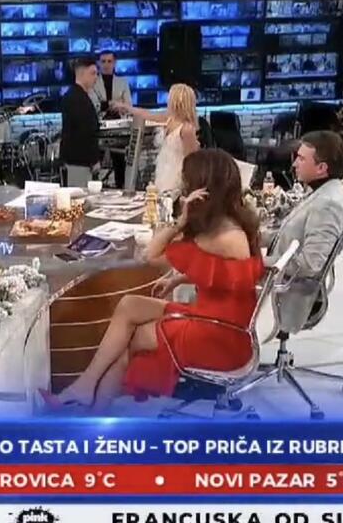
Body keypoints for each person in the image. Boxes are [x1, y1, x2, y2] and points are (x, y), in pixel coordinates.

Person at [40, 149, 264, 412]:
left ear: (204, 189)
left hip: (222, 335)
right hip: (217, 317)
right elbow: (225, 276)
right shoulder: (227, 225)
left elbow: (151, 255)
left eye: (187, 183)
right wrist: (178, 280)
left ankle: (90, 408)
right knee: (130, 305)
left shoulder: (223, 236)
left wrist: (180, 221)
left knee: (132, 341)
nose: (183, 189)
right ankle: (86, 388)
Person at [265, 131, 343, 333]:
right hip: (280, 281)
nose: (294, 164)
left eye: (301, 159)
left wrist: (261, 263)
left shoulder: (328, 205)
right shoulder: (319, 191)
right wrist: (250, 235)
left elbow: (310, 264)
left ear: (321, 168)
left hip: (289, 293)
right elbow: (290, 234)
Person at [113, 83, 200, 195]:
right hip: (163, 175)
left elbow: (193, 162)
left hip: (177, 180)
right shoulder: (168, 119)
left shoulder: (187, 129)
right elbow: (146, 114)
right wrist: (127, 108)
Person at [89, 51, 132, 188]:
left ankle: (121, 187)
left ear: (114, 63)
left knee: (120, 161)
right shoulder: (93, 82)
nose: (106, 65)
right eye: (103, 61)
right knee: (95, 162)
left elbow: (128, 106)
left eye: (109, 61)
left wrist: (118, 106)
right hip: (98, 128)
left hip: (119, 128)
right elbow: (93, 105)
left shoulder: (122, 82)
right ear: (99, 63)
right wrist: (111, 104)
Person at [60, 57, 100, 187]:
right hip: (79, 163)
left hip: (79, 162)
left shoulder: (78, 95)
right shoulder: (76, 99)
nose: (96, 78)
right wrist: (94, 159)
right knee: (79, 196)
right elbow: (85, 132)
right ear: (82, 74)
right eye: (93, 73)